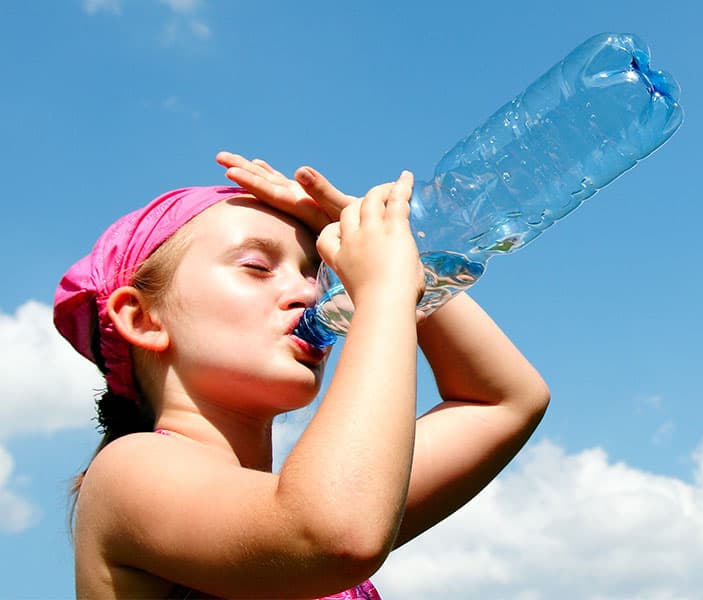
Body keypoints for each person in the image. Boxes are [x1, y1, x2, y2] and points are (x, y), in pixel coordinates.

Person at [54, 151, 550, 599]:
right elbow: (331, 535)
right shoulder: (128, 473)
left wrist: (400, 260)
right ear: (142, 318)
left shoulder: (325, 491)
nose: (311, 294)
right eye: (256, 266)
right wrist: (383, 291)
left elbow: (504, 401)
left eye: (317, 272)